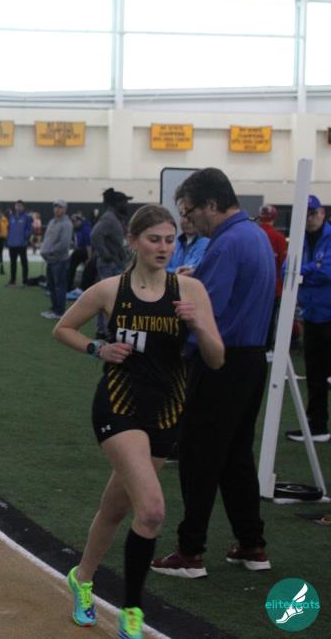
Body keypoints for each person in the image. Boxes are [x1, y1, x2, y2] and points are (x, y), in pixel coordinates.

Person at [54, 204, 223, 639]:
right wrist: (99, 349)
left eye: (170, 239)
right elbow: (63, 328)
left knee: (116, 508)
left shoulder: (191, 290)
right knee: (152, 509)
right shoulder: (110, 290)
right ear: (133, 241)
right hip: (118, 406)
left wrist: (198, 326)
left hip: (166, 413)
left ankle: (81, 578)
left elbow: (216, 358)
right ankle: (132, 610)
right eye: (153, 239)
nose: (163, 248)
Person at [151, 167, 276, 580]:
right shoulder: (255, 235)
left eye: (189, 212)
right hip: (251, 360)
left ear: (210, 204)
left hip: (219, 361)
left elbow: (205, 313)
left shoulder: (226, 244)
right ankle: (252, 544)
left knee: (198, 455)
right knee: (236, 456)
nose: (189, 221)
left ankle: (190, 552)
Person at [287, 195, 331, 443]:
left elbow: (327, 272)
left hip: (328, 313)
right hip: (312, 315)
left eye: (313, 213)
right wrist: (312, 268)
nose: (309, 218)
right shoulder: (299, 240)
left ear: (322, 213)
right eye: (305, 214)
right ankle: (317, 426)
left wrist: (302, 272)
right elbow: (286, 270)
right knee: (314, 375)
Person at [90, 188, 133, 339]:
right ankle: (106, 331)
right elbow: (95, 235)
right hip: (110, 265)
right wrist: (106, 254)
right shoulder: (109, 218)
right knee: (109, 298)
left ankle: (103, 330)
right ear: (117, 203)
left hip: (113, 263)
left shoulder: (115, 217)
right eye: (125, 202)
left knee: (108, 298)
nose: (127, 205)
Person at [257, 204, 288, 351]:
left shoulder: (253, 234)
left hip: (253, 287)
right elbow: (284, 264)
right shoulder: (278, 238)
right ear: (274, 218)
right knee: (269, 321)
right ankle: (267, 348)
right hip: (273, 288)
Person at [40, 200, 72, 319]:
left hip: (59, 260)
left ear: (65, 209)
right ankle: (54, 309)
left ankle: (59, 312)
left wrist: (49, 251)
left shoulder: (66, 224)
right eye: (55, 207)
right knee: (52, 286)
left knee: (59, 286)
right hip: (50, 259)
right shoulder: (52, 222)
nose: (57, 209)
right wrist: (44, 250)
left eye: (60, 207)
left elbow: (64, 244)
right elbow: (47, 239)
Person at [6, 200, 32, 286]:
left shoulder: (27, 217)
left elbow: (30, 229)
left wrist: (25, 237)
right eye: (17, 205)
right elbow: (9, 228)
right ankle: (12, 280)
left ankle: (25, 281)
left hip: (22, 244)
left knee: (24, 263)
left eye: (20, 206)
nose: (18, 207)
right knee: (12, 263)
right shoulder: (11, 216)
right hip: (12, 244)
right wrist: (8, 239)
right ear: (15, 206)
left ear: (23, 207)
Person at [67, 213, 92, 295]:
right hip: (81, 250)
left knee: (85, 268)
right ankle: (68, 286)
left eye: (75, 221)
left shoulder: (86, 229)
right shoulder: (77, 229)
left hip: (87, 251)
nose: (73, 223)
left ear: (80, 220)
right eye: (72, 221)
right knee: (70, 265)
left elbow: (89, 245)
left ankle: (77, 287)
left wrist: (89, 258)